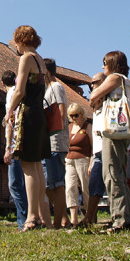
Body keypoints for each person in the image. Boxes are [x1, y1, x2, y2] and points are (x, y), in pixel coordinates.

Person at [4, 25, 52, 231]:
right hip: (39, 115)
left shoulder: (25, 58)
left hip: (28, 114)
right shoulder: (40, 60)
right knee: (37, 167)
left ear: (21, 40)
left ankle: (31, 217)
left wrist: (10, 111)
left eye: (16, 41)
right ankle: (40, 215)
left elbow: (20, 91)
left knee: (28, 166)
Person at [89, 50, 130, 232]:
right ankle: (127, 217)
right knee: (119, 173)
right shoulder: (128, 82)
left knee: (111, 173)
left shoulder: (115, 78)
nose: (103, 67)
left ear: (112, 64)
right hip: (124, 131)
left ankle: (120, 220)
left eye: (105, 63)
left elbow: (94, 97)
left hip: (113, 131)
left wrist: (97, 97)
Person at [42, 58, 70, 229]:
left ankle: (58, 223)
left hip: (56, 142)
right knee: (48, 184)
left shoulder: (56, 87)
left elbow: (61, 110)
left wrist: (53, 129)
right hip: (49, 142)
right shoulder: (49, 89)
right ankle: (64, 217)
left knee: (56, 183)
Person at [1, 70, 28, 229]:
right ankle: (27, 218)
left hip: (15, 143)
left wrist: (8, 147)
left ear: (3, 84)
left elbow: (10, 121)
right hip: (24, 141)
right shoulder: (19, 92)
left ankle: (23, 220)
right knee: (23, 182)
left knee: (15, 184)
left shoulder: (11, 94)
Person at [82, 73, 107, 228]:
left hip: (107, 149)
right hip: (97, 152)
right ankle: (89, 217)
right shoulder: (95, 110)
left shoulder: (107, 105)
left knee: (116, 184)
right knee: (94, 186)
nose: (91, 86)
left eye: (94, 82)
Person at [64, 102, 91, 228]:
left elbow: (93, 146)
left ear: (82, 114)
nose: (74, 118)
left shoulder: (87, 127)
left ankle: (88, 217)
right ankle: (74, 219)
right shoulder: (69, 127)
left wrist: (91, 161)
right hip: (69, 160)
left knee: (86, 188)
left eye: (76, 115)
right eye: (71, 115)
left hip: (83, 159)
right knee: (70, 187)